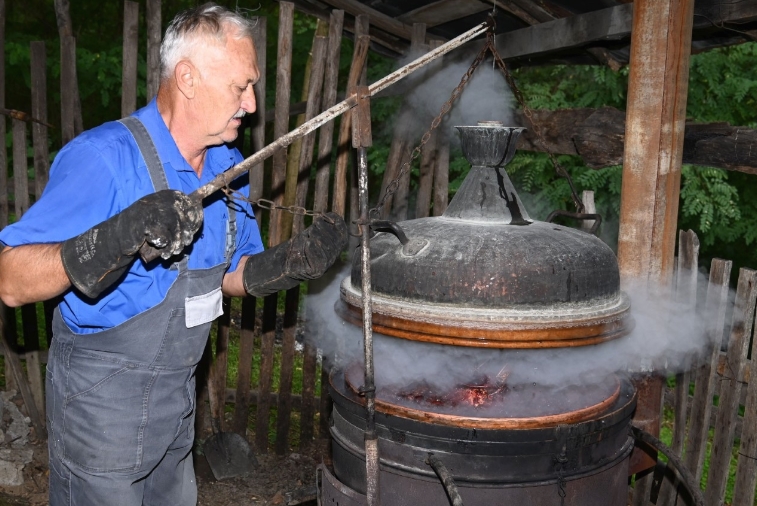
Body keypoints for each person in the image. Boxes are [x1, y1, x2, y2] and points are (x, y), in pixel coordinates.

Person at [0, 3, 347, 505]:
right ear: (187, 78)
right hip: (100, 410)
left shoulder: (228, 168)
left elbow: (229, 273)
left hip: (176, 406)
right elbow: (10, 279)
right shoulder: (105, 159)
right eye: (240, 87)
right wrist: (121, 234)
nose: (251, 105)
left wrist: (291, 263)